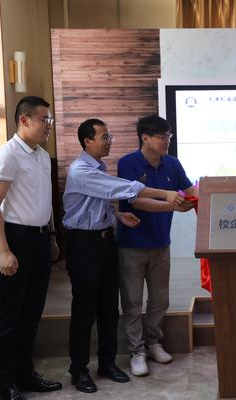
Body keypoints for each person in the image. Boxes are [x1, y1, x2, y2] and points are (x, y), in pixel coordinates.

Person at [62, 118, 188, 393]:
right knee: (85, 309)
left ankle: (107, 363)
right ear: (87, 141)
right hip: (85, 244)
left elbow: (98, 204)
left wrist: (117, 215)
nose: (110, 141)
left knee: (109, 307)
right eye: (105, 137)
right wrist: (166, 195)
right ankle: (79, 369)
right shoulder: (81, 170)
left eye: (110, 137)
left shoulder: (100, 167)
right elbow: (122, 189)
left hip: (107, 240)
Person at [0, 96, 63, 400]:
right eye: (45, 120)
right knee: (10, 315)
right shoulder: (7, 154)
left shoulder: (42, 156)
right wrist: (3, 250)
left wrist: (52, 237)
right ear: (24, 120)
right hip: (15, 239)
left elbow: (45, 201)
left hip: (40, 239)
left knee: (32, 312)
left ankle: (26, 374)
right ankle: (6, 384)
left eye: (50, 120)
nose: (49, 126)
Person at [117, 115, 197, 377]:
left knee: (160, 299)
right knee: (132, 301)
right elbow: (136, 200)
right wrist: (172, 205)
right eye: (162, 137)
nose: (167, 141)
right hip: (132, 245)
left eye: (169, 136)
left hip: (161, 243)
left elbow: (190, 191)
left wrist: (203, 197)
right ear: (145, 138)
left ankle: (153, 342)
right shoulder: (127, 163)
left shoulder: (172, 163)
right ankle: (136, 351)